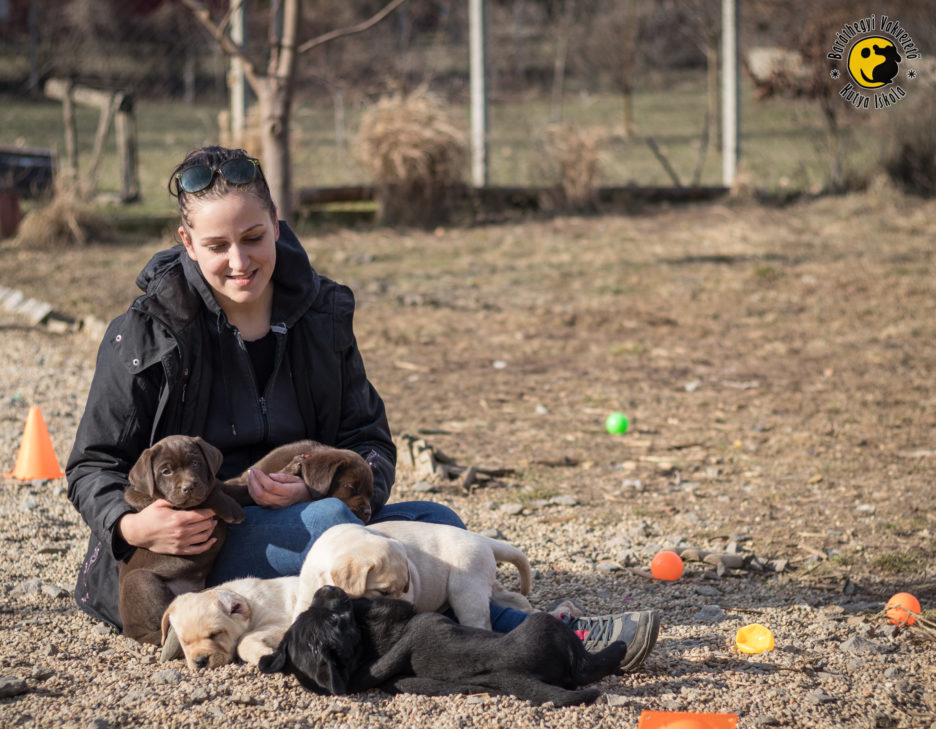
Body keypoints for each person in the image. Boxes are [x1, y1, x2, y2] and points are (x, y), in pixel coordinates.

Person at [65, 145, 659, 672]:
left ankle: (469, 634)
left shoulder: (322, 315)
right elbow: (91, 464)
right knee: (358, 535)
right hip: (184, 556)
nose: (239, 261)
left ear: (277, 225)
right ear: (186, 244)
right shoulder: (144, 333)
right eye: (217, 246)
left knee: (439, 523)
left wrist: (332, 488)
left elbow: (370, 439)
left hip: (313, 520)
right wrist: (132, 522)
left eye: (252, 238)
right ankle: (549, 639)